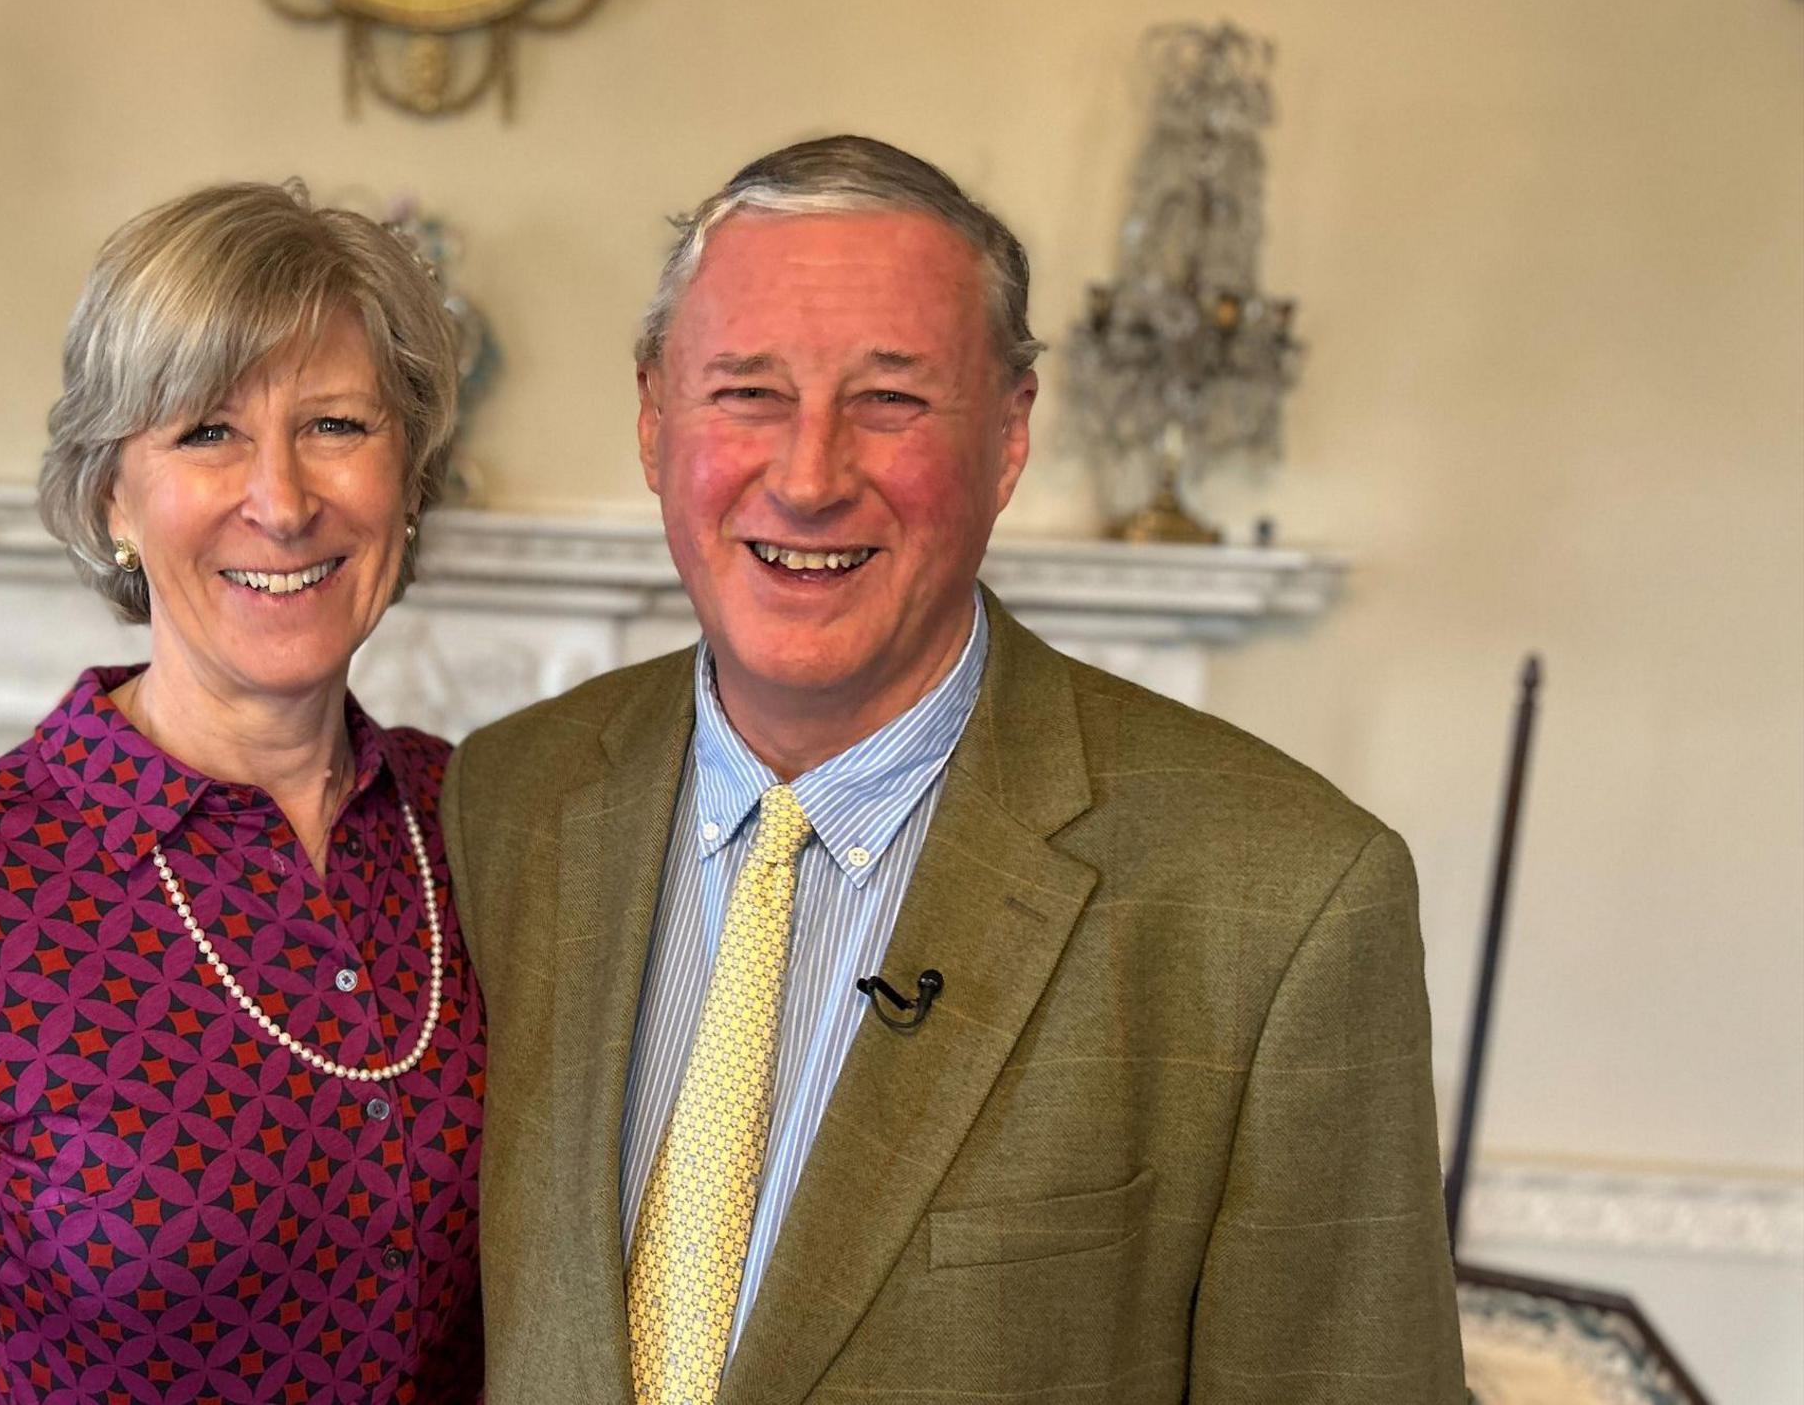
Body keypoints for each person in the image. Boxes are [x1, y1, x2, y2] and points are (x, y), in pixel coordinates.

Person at [443, 136, 1464, 1404]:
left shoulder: (1282, 896)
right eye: (745, 392)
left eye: (892, 399)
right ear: (655, 418)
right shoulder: (502, 802)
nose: (808, 475)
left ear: (1009, 432)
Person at [0, 182, 485, 1403]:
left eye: (335, 424)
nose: (282, 498)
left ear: (407, 478)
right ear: (112, 492)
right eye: (207, 431)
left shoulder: (480, 825)